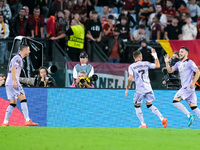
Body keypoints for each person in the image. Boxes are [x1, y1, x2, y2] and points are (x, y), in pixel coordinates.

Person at [125, 50, 168, 128]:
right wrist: (155, 56)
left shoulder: (131, 66)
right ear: (140, 57)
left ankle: (143, 124)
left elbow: (130, 78)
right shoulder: (146, 63)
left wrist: (127, 88)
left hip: (140, 89)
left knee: (137, 106)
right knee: (149, 105)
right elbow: (157, 66)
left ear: (134, 58)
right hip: (148, 87)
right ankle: (162, 118)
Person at [2, 44, 38, 126]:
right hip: (13, 82)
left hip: (8, 83)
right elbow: (13, 68)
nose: (29, 51)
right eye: (28, 49)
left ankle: (5, 122)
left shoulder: (17, 58)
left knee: (13, 103)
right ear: (24, 50)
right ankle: (27, 120)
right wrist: (14, 81)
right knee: (23, 99)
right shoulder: (17, 58)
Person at [164, 46, 200, 127]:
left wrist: (193, 82)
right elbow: (170, 71)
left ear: (186, 53)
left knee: (175, 101)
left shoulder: (190, 62)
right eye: (179, 52)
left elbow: (197, 72)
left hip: (188, 87)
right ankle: (190, 115)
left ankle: (189, 115)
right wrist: (167, 63)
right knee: (194, 107)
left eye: (182, 52)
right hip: (187, 88)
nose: (180, 53)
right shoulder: (178, 63)